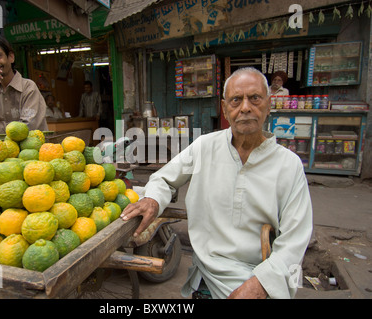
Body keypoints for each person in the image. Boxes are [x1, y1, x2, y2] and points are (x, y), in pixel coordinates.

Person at [120, 67, 313, 299]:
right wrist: (152, 199)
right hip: (208, 270)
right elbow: (164, 177)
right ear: (224, 108)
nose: (245, 108)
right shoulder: (205, 147)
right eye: (236, 100)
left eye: (254, 98)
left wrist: (262, 283)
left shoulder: (289, 165)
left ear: (269, 104)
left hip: (260, 274)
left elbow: (295, 238)